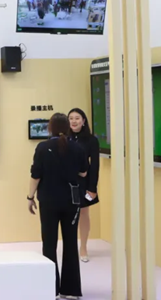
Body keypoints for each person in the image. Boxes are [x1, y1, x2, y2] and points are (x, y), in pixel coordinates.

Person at [28, 113, 88, 299]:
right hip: (71, 201)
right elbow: (84, 172)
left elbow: (36, 175)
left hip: (48, 201)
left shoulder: (43, 147)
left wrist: (30, 197)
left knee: (49, 244)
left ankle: (50, 288)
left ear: (50, 128)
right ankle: (71, 290)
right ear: (67, 127)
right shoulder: (77, 147)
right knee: (70, 243)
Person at [68, 108, 100, 262]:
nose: (74, 121)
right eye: (71, 118)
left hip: (84, 182)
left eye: (77, 118)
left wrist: (92, 187)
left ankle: (83, 247)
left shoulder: (91, 140)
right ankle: (70, 246)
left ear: (83, 121)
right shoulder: (64, 138)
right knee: (67, 214)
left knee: (83, 213)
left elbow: (94, 165)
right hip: (66, 181)